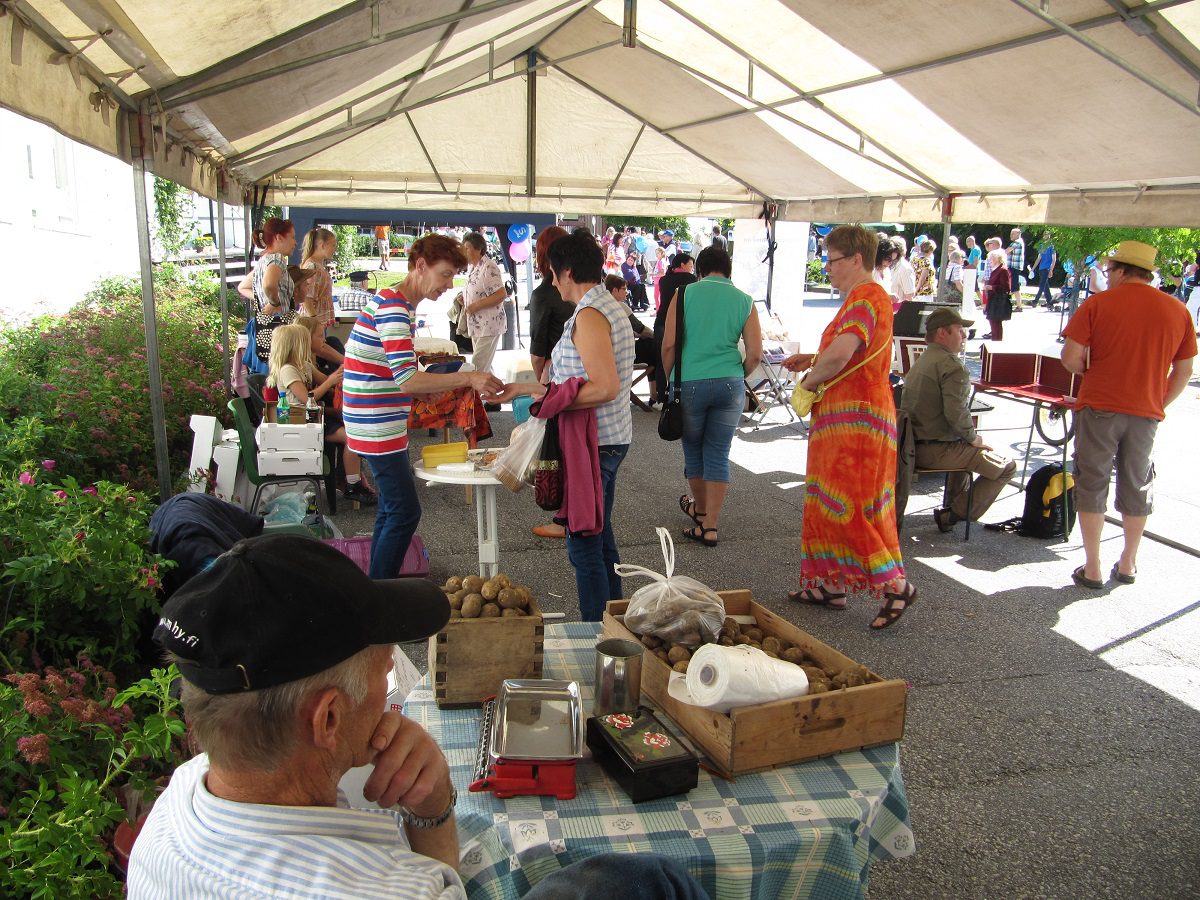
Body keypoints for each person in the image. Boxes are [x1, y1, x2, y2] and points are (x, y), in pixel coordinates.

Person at [129, 534, 706, 900]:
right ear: (327, 719)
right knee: (648, 879)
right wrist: (437, 820)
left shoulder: (177, 804)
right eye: (384, 677)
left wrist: (426, 809)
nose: (391, 695)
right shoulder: (401, 891)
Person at [493, 230, 636, 621]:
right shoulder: (602, 307)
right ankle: (615, 624)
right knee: (600, 536)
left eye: (554, 273)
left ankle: (596, 635)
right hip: (605, 438)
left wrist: (549, 399)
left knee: (584, 544)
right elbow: (577, 379)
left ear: (568, 272)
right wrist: (525, 389)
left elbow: (604, 385)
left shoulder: (591, 315)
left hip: (593, 443)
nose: (552, 281)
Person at [344, 234, 503, 580]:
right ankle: (379, 595)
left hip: (374, 419)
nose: (448, 285)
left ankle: (376, 584)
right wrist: (469, 378)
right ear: (420, 266)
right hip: (375, 423)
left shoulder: (395, 302)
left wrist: (420, 392)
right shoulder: (394, 307)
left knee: (392, 508)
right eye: (445, 274)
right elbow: (407, 378)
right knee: (404, 511)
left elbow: (393, 372)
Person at [781, 225, 917, 630]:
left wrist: (808, 383)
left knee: (852, 505)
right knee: (830, 501)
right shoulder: (868, 297)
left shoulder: (865, 296)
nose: (827, 268)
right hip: (851, 417)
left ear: (856, 259)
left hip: (856, 424)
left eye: (832, 259)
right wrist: (813, 358)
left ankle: (896, 586)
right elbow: (847, 350)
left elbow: (841, 355)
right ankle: (829, 584)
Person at [1060, 241, 1196, 589]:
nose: (1106, 277)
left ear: (1121, 271)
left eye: (1108, 272)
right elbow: (1183, 372)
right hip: (1145, 411)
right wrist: (1158, 402)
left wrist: (1090, 371)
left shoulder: (1098, 304)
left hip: (1099, 404)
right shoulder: (1177, 310)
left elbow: (1070, 358)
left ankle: (1092, 567)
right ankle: (1128, 562)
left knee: (1093, 482)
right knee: (1137, 484)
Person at [660, 245, 762, 548]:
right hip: (730, 382)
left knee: (694, 450)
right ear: (728, 270)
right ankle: (710, 526)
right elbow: (755, 354)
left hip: (689, 381)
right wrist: (737, 373)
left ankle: (701, 512)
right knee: (718, 452)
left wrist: (668, 381)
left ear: (699, 270)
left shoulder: (684, 294)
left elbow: (668, 345)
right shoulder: (745, 301)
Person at [900, 308, 1016, 531]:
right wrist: (975, 439)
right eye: (960, 331)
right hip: (936, 450)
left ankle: (952, 510)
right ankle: (954, 514)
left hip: (912, 446)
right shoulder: (951, 366)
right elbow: (958, 415)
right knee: (1007, 466)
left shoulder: (923, 360)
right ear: (943, 333)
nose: (964, 337)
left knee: (966, 450)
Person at [267, 323, 374, 505]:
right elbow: (307, 398)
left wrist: (342, 374)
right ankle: (352, 484)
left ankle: (350, 479)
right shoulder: (288, 370)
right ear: (296, 345)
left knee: (352, 429)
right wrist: (331, 381)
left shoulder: (304, 365)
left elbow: (328, 383)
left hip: (315, 416)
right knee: (350, 438)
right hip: (301, 421)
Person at [237, 217, 297, 362]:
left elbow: (242, 287)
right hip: (281, 328)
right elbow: (269, 284)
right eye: (292, 237)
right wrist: (274, 302)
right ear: (278, 237)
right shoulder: (277, 259)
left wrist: (264, 302)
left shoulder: (262, 261)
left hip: (264, 327)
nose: (295, 242)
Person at [457, 231, 508, 393]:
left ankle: (474, 405)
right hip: (478, 325)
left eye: (467, 248)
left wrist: (476, 305)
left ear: (478, 249)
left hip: (489, 325)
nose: (464, 252)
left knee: (478, 365)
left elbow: (501, 294)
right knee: (485, 364)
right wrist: (465, 299)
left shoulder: (489, 266)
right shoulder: (474, 268)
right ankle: (496, 396)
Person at [654, 252, 697, 406]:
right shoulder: (691, 280)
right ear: (682, 265)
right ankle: (677, 393)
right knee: (680, 357)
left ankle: (660, 396)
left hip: (661, 322)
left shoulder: (664, 280)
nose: (692, 269)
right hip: (681, 323)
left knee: (661, 358)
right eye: (690, 266)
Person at [983, 248, 1012, 341]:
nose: (990, 260)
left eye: (992, 258)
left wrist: (992, 287)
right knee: (993, 323)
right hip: (993, 299)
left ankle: (997, 344)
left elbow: (1006, 287)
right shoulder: (996, 269)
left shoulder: (1002, 270)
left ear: (998, 258)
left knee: (996, 324)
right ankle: (995, 341)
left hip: (998, 301)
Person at [889, 235, 917, 307]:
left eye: (891, 250)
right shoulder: (890, 265)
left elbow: (909, 296)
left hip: (898, 312)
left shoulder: (905, 268)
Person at [1030, 232, 1057, 308]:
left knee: (1042, 285)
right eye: (1044, 234)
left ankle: (1035, 301)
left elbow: (1054, 259)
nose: (1046, 236)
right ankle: (1050, 302)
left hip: (1047, 268)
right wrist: (1032, 269)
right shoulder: (1042, 246)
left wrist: (1051, 270)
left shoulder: (1052, 246)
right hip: (1041, 268)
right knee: (1045, 286)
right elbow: (1038, 258)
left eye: (1047, 234)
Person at [1006, 227, 1025, 311]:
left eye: (1013, 233)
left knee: (1014, 286)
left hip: (1014, 267)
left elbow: (1006, 251)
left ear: (1018, 234)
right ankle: (1018, 305)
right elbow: (1009, 253)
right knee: (1013, 286)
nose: (1011, 235)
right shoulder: (1017, 243)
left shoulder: (1017, 242)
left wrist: (1008, 252)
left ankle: (1019, 306)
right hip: (1014, 267)